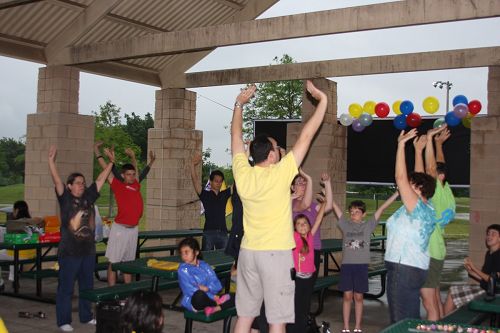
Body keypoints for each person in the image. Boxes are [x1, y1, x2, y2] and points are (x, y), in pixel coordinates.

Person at [231, 80, 328, 333]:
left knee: (244, 317)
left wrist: (239, 104)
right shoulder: (281, 172)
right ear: (272, 155)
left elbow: (235, 136)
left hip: (248, 253)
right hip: (275, 255)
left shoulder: (243, 173)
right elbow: (307, 133)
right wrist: (323, 101)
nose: (280, 150)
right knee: (277, 320)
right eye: (277, 148)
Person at [48, 145, 113, 332]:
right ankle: (63, 321)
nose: (81, 185)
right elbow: (57, 180)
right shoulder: (65, 198)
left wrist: (111, 162)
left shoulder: (89, 197)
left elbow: (101, 179)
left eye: (83, 182)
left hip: (87, 251)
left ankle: (86, 316)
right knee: (66, 288)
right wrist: (51, 162)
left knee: (87, 286)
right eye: (77, 182)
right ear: (69, 186)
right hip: (69, 252)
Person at [384, 129, 437, 323]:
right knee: (411, 320)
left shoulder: (416, 207)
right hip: (414, 268)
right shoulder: (425, 208)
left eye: (411, 184)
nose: (406, 185)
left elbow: (400, 178)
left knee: (400, 323)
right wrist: (418, 150)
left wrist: (400, 146)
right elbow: (421, 177)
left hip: (403, 268)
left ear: (419, 189)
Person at [331, 194, 398, 333]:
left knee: (359, 297)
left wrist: (397, 193)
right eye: (352, 212)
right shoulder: (345, 224)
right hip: (347, 266)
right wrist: (327, 190)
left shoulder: (368, 225)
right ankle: (345, 327)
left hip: (361, 267)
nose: (353, 214)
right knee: (347, 296)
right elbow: (335, 207)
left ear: (364, 214)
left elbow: (382, 207)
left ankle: (357, 326)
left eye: (357, 212)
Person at [414, 125, 456, 320]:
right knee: (435, 298)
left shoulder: (438, 191)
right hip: (437, 250)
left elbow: (432, 168)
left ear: (439, 177)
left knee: (428, 301)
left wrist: (430, 139)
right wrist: (438, 144)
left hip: (431, 252)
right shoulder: (446, 192)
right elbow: (438, 166)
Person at [98, 146, 145, 286]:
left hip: (133, 230)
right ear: (123, 175)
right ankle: (112, 293)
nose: (131, 176)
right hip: (120, 230)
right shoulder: (118, 186)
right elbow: (107, 172)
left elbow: (136, 171)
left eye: (133, 174)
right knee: (114, 262)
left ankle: (127, 295)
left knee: (127, 264)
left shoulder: (136, 185)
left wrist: (133, 158)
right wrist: (100, 155)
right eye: (128, 174)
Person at [443, 224, 500, 315]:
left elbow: (493, 279)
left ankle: (443, 324)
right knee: (452, 290)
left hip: (492, 294)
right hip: (485, 288)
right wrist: (471, 271)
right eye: (488, 234)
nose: (489, 236)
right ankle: (445, 323)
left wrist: (474, 267)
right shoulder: (489, 253)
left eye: (493, 234)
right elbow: (484, 278)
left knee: (453, 292)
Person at [287, 202, 326, 333]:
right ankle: (293, 329)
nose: (302, 225)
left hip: (309, 279)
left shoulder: (310, 236)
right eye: (298, 223)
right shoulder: (294, 237)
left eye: (305, 223)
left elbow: (319, 219)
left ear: (309, 226)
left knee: (305, 306)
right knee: (297, 306)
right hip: (297, 279)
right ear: (295, 227)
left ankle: (302, 328)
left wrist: (325, 202)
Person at [177, 237, 233, 316]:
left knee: (235, 297)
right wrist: (212, 296)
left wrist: (208, 289)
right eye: (182, 253)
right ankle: (216, 304)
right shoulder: (182, 270)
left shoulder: (205, 266)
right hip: (194, 301)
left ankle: (212, 308)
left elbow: (217, 284)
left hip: (210, 297)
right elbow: (190, 291)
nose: (184, 256)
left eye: (186, 252)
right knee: (199, 295)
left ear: (196, 252)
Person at [291, 169, 333, 275]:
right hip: (300, 249)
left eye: (305, 183)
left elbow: (328, 206)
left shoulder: (313, 205)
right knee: (300, 284)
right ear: (292, 187)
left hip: (315, 247)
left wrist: (327, 183)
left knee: (311, 283)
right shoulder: (292, 203)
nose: (303, 185)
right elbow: (304, 204)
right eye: (300, 183)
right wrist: (309, 179)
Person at [190, 152, 231, 251]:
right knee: (207, 259)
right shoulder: (205, 194)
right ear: (211, 181)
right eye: (216, 181)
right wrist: (192, 165)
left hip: (223, 232)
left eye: (220, 181)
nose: (219, 183)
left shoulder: (224, 194)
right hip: (209, 233)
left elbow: (238, 182)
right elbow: (195, 181)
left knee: (224, 259)